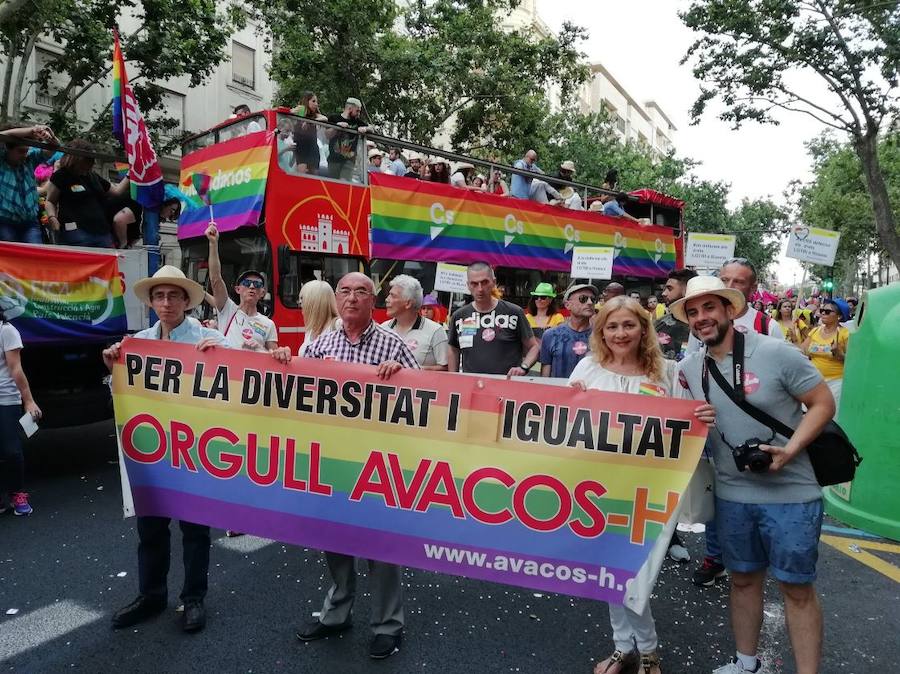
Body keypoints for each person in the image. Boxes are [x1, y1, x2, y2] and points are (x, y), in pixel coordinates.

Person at [672, 275, 834, 674]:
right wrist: (697, 420)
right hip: (732, 494)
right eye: (693, 312)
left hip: (793, 493)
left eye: (709, 308)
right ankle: (747, 665)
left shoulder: (776, 352)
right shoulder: (690, 369)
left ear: (730, 310)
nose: (701, 318)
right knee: (742, 580)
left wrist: (791, 450)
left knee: (797, 590)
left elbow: (822, 403)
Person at [102, 266, 260, 634]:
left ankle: (193, 598)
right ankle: (151, 595)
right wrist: (114, 368)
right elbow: (122, 395)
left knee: (194, 529)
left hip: (193, 452)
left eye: (174, 296)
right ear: (152, 302)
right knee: (151, 528)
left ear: (186, 301)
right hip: (153, 453)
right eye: (159, 296)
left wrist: (220, 354)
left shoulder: (209, 338)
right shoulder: (137, 342)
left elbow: (240, 381)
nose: (166, 302)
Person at [569, 296, 714, 674]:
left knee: (638, 572)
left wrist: (701, 417)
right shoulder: (587, 368)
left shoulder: (667, 373)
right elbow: (563, 423)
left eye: (629, 325)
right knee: (610, 570)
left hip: (650, 490)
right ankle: (628, 649)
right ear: (601, 331)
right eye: (612, 326)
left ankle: (644, 649)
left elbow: (687, 426)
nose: (621, 334)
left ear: (644, 328)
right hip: (597, 489)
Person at [297, 272, 418, 660]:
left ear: (373, 301)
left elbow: (427, 400)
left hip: (379, 465)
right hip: (333, 462)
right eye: (345, 291)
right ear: (335, 300)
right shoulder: (321, 346)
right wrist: (285, 361)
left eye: (361, 292)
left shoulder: (393, 345)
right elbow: (297, 394)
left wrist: (403, 379)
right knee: (335, 541)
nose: (352, 298)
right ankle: (336, 614)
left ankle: (387, 625)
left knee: (381, 548)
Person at [687, 259, 784, 588]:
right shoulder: (699, 326)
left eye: (738, 281)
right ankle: (716, 556)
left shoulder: (767, 325)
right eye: (724, 278)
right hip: (714, 432)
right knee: (715, 491)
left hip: (761, 438)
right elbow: (690, 373)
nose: (730, 283)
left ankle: (761, 556)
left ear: (749, 290)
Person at [447, 262, 538, 376]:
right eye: (474, 284)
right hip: (472, 388)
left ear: (494, 282)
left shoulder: (514, 312)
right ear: (468, 285)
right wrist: (453, 378)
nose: (480, 289)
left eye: (484, 282)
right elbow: (453, 349)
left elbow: (534, 347)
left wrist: (523, 367)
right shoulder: (459, 316)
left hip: (506, 387)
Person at [44, 139, 131, 248]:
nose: (90, 163)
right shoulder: (61, 175)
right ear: (76, 159)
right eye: (87, 160)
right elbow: (50, 201)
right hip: (75, 233)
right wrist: (52, 218)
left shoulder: (93, 176)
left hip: (102, 233)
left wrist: (131, 173)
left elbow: (117, 191)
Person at [205, 224, 278, 352]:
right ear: (238, 289)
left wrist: (260, 349)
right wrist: (213, 244)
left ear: (262, 293)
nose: (251, 287)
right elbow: (215, 279)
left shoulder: (268, 324)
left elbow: (274, 358)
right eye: (247, 283)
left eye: (257, 285)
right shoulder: (228, 309)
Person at [0, 310, 41, 516]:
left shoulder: (6, 331)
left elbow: (16, 368)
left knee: (11, 451)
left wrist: (29, 401)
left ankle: (17, 494)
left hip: (5, 398)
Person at [0, 123, 59, 243]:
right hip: (4, 222)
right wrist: (31, 130)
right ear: (7, 148)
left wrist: (48, 135)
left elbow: (54, 146)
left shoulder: (29, 160)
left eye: (26, 151)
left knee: (35, 257)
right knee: (11, 259)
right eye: (21, 151)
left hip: (30, 222)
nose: (25, 155)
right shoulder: (1, 160)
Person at [383, 274, 449, 370]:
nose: (387, 299)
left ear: (408, 303)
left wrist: (410, 370)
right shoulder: (383, 328)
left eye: (393, 296)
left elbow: (446, 368)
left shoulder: (436, 331)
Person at [800, 298, 850, 410]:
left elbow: (853, 362)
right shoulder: (815, 331)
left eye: (827, 311)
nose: (822, 313)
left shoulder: (845, 334)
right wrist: (794, 338)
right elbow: (802, 351)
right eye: (822, 310)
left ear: (839, 316)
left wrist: (839, 354)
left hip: (836, 382)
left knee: (829, 418)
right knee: (806, 414)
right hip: (813, 381)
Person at [539, 283, 596, 378]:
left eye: (593, 299)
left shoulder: (602, 336)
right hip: (558, 391)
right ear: (567, 305)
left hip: (590, 391)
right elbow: (545, 374)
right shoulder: (551, 335)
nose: (590, 302)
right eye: (583, 299)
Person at [655, 269, 697, 362]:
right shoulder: (658, 324)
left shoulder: (702, 325)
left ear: (687, 289)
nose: (664, 293)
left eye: (670, 289)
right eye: (664, 289)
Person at [326, 97, 370, 182]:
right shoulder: (334, 118)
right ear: (350, 108)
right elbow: (327, 135)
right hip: (333, 159)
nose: (359, 114)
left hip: (349, 160)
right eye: (357, 111)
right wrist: (337, 127)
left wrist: (366, 129)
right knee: (332, 185)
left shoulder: (357, 122)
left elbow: (372, 128)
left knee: (344, 183)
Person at [298, 280, 340, 356]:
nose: (300, 303)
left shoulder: (338, 325)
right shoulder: (310, 330)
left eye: (302, 299)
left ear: (314, 302)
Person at [292, 91, 328, 175]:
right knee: (302, 173)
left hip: (312, 147)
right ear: (306, 101)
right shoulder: (300, 110)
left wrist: (311, 122)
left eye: (317, 102)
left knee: (314, 173)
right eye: (313, 101)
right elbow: (291, 112)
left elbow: (325, 118)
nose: (316, 104)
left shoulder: (314, 115)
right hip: (301, 147)